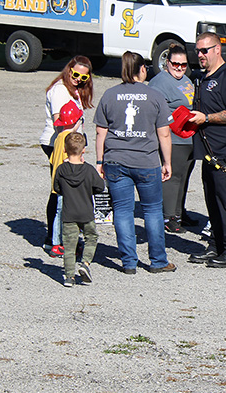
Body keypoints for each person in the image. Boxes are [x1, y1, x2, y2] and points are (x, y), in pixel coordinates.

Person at [94, 51, 175, 275]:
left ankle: (128, 261)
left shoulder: (109, 95)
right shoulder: (155, 96)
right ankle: (158, 260)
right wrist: (166, 162)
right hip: (146, 161)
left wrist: (100, 160)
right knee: (152, 211)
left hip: (115, 160)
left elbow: (101, 132)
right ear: (142, 69)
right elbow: (164, 134)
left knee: (122, 210)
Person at [187, 33, 226, 267]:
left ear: (217, 49)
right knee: (212, 202)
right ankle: (216, 246)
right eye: (198, 51)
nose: (200, 55)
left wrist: (207, 118)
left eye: (205, 50)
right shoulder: (203, 78)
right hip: (209, 151)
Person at [40, 56, 94, 256]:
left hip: (71, 145)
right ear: (68, 69)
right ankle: (52, 241)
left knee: (67, 193)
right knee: (60, 192)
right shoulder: (60, 90)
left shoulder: (75, 90)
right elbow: (60, 124)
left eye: (83, 76)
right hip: (59, 144)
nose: (78, 78)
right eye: (75, 74)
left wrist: (81, 146)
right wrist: (70, 152)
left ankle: (62, 237)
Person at [149, 43, 195, 233]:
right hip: (173, 138)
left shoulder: (186, 80)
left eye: (183, 65)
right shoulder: (159, 83)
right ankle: (169, 217)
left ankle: (179, 213)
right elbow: (154, 114)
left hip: (189, 137)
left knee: (183, 177)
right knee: (172, 177)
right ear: (167, 62)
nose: (179, 68)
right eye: (175, 64)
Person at [53, 131, 105, 288]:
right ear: (83, 150)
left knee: (69, 245)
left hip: (69, 213)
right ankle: (85, 263)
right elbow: (100, 187)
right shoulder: (89, 170)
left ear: (64, 150)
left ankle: (69, 277)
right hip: (86, 212)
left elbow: (57, 188)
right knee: (91, 237)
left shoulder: (61, 170)